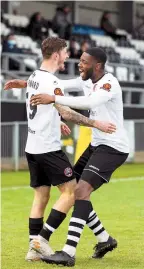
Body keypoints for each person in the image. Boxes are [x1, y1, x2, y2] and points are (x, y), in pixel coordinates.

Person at [4, 39, 116, 262]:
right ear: (56, 55)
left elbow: (45, 100)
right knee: (73, 193)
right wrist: (97, 124)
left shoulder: (35, 76)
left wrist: (53, 117)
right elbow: (67, 112)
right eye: (65, 53)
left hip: (32, 147)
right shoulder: (51, 81)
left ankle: (33, 250)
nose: (67, 57)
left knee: (41, 197)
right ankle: (41, 241)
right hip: (49, 149)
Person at [29, 47, 129, 266]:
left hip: (113, 148)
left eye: (84, 61)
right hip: (97, 145)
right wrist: (25, 83)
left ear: (98, 65)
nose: (79, 64)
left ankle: (68, 252)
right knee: (74, 188)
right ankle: (104, 239)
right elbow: (59, 84)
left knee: (80, 191)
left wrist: (53, 98)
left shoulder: (109, 83)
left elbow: (89, 103)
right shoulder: (86, 80)